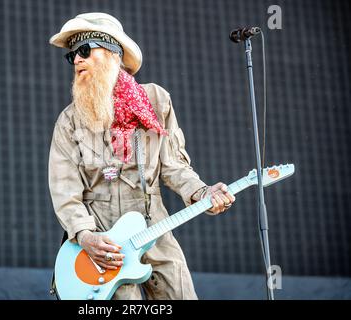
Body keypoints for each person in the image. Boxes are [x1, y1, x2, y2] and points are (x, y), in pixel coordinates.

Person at [48, 12, 235, 300]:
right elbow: (65, 190)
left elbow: (174, 164)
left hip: (155, 224)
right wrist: (85, 236)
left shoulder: (156, 100)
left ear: (112, 53)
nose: (76, 60)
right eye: (71, 55)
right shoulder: (69, 120)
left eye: (84, 50)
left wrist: (201, 192)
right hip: (104, 237)